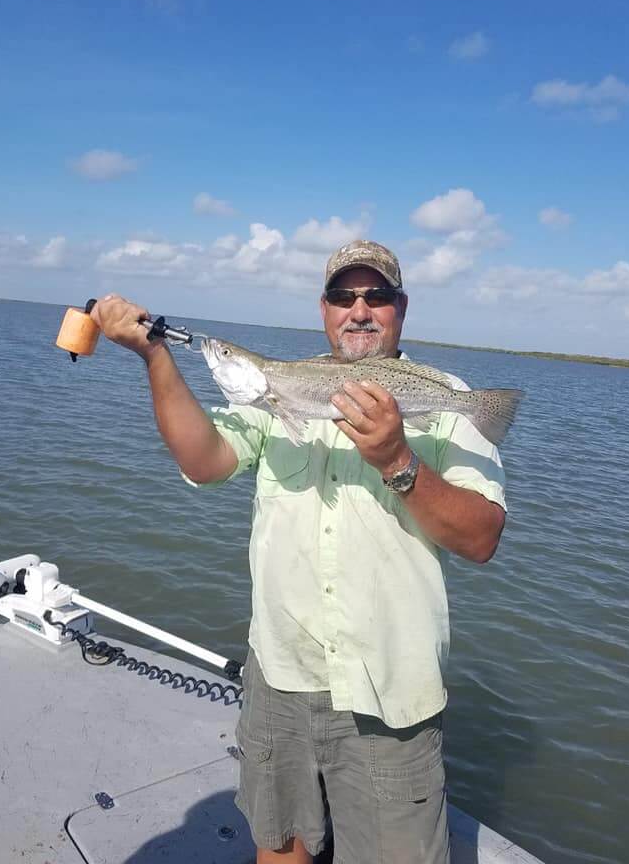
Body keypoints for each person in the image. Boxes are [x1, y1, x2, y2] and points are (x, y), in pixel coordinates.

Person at [91, 239, 508, 864]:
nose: (359, 309)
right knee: (280, 846)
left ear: (401, 308)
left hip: (389, 694)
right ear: (324, 308)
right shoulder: (276, 395)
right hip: (279, 679)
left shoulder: (447, 397)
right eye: (344, 296)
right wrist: (154, 355)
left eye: (377, 296)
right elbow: (203, 462)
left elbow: (481, 538)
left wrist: (397, 458)